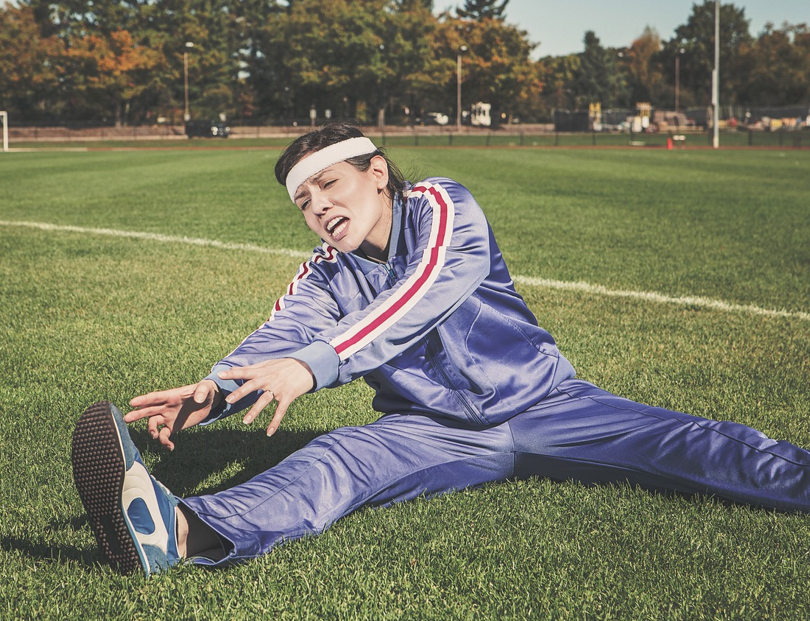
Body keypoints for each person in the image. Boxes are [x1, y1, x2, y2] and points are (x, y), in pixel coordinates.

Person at [71, 122, 810, 577]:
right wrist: (216, 389)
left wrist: (316, 364)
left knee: (697, 445)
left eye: (329, 184)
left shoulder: (442, 207)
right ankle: (177, 530)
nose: (319, 207)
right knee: (331, 461)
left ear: (376, 172)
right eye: (303, 201)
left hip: (548, 403)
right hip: (429, 431)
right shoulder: (323, 275)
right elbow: (280, 337)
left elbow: (423, 292)